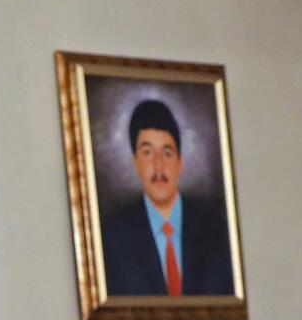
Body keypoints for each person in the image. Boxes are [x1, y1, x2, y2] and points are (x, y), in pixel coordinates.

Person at [99, 98, 235, 297]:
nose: (158, 166)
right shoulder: (112, 237)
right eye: (147, 153)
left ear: (180, 162)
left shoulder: (216, 230)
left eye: (167, 153)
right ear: (135, 162)